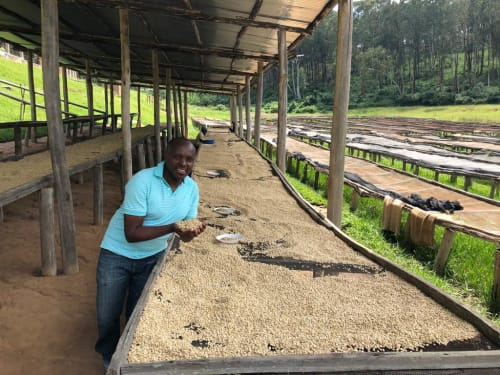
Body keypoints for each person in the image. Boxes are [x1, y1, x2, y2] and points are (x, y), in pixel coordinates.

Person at [95, 137, 206, 371]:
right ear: (166, 156)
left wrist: (189, 233)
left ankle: (127, 360)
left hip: (153, 256)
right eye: (177, 157)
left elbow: (185, 227)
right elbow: (131, 233)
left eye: (189, 159)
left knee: (138, 313)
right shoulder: (142, 181)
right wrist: (173, 227)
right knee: (107, 315)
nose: (183, 163)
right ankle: (108, 357)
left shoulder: (191, 189)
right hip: (117, 254)